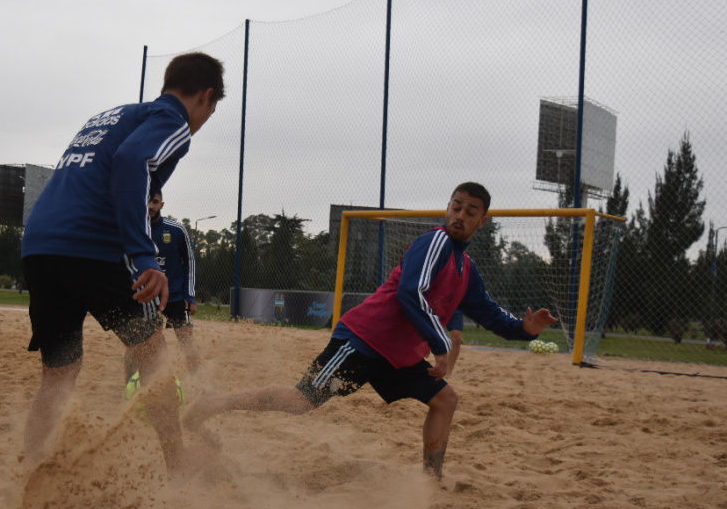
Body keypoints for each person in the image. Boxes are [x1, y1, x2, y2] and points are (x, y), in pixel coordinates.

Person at [184, 182, 558, 481]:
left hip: (396, 357)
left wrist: (524, 329)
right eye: (455, 206)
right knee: (302, 401)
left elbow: (490, 314)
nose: (460, 215)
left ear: (483, 221)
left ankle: (431, 480)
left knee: (445, 400)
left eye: (470, 211)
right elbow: (410, 292)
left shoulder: (467, 268)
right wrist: (440, 344)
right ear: (447, 208)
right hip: (363, 341)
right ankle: (214, 403)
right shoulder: (435, 242)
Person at [20, 52, 225, 475]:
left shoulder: (111, 116)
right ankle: (178, 464)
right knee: (155, 357)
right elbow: (132, 162)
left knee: (59, 373)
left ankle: (29, 469)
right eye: (212, 109)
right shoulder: (173, 121)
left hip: (40, 246)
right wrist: (145, 255)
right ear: (206, 96)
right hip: (91, 248)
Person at [124, 190, 201, 382]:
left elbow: (189, 262)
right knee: (135, 344)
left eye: (155, 202)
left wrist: (189, 296)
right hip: (146, 297)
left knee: (186, 340)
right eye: (147, 201)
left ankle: (200, 385)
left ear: (162, 205)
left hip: (175, 296)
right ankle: (130, 385)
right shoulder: (133, 229)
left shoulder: (176, 230)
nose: (151, 206)